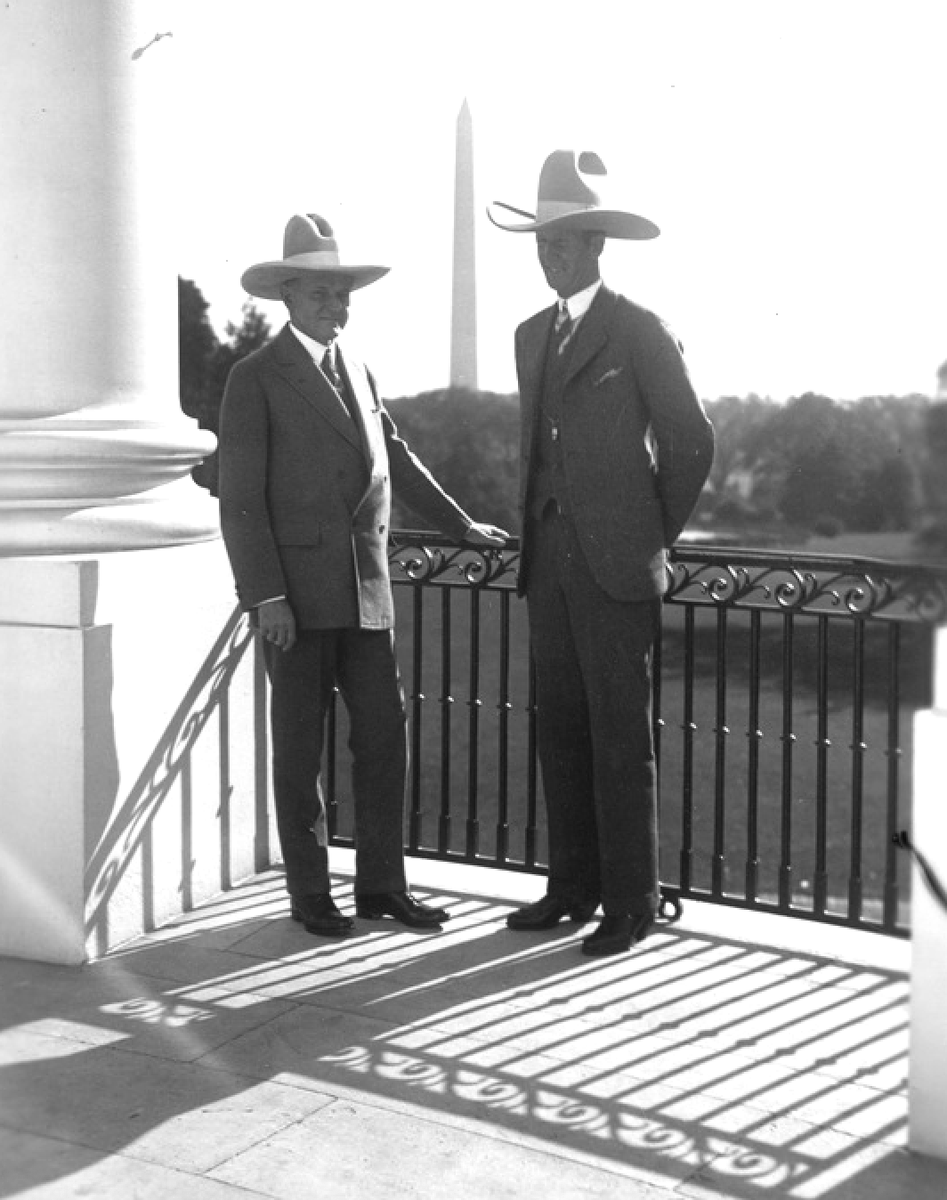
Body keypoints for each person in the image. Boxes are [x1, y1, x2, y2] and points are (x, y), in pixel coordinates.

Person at [218, 213, 507, 937]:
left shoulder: (359, 368)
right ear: (287, 295)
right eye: (320, 292)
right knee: (299, 752)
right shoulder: (255, 378)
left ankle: (382, 888)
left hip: (366, 592)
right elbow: (241, 500)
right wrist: (267, 596)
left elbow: (395, 459)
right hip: (295, 600)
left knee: (383, 740)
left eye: (342, 292)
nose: (335, 304)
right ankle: (310, 893)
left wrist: (461, 526)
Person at [489, 151, 714, 956]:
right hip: (548, 564)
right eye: (541, 243)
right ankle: (571, 887)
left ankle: (631, 901)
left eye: (562, 242)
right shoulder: (530, 336)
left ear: (595, 245)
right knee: (561, 729)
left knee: (620, 737)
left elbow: (690, 442)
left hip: (616, 569)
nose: (549, 255)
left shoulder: (638, 330)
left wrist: (647, 534)